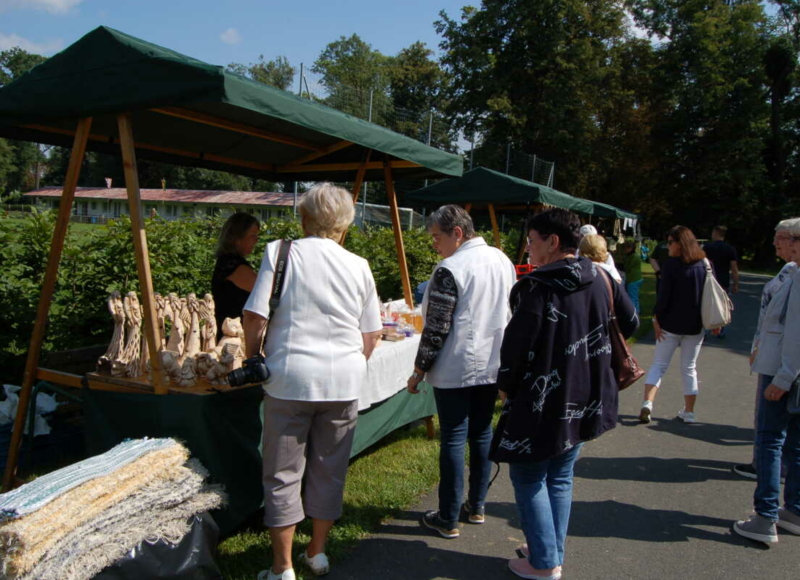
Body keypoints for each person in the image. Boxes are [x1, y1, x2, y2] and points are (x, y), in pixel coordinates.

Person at [243, 183, 383, 580]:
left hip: (289, 380)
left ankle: (282, 566)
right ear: (344, 224)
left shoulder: (280, 251)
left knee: (283, 473)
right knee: (329, 468)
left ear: (304, 218)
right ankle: (317, 553)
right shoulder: (359, 265)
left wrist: (255, 356)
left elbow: (255, 316)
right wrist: (349, 363)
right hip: (343, 382)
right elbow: (370, 335)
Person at [492, 209, 637, 580]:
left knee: (529, 476)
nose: (527, 247)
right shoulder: (601, 275)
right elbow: (631, 321)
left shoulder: (538, 286)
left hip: (544, 399)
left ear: (552, 242)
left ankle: (543, 561)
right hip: (588, 392)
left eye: (532, 239)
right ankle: (548, 549)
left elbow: (516, 349)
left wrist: (505, 387)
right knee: (559, 474)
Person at [406, 204, 516, 540]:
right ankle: (477, 505)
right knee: (481, 432)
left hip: (458, 366)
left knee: (454, 437)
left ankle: (448, 516)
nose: (434, 244)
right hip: (493, 363)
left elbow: (436, 328)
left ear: (457, 233)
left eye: (437, 237)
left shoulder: (449, 268)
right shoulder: (502, 259)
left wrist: (418, 369)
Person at [733, 221, 800, 544]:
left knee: (771, 440)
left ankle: (765, 517)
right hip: (787, 368)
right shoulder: (793, 273)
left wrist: (785, 376)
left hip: (785, 370)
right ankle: (793, 510)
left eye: (782, 239)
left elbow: (795, 333)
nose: (778, 245)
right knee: (794, 443)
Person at [639, 226, 710, 425]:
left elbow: (663, 298)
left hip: (670, 323)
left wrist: (656, 319)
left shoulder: (671, 266)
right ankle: (689, 412)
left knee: (659, 365)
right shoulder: (703, 264)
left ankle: (648, 403)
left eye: (670, 242)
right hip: (695, 325)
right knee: (689, 368)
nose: (667, 246)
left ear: (680, 243)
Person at [211, 212, 259, 339]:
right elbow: (264, 288)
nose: (256, 240)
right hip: (232, 334)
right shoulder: (232, 265)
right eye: (252, 235)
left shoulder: (228, 263)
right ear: (237, 238)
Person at [703, 225, 739, 337]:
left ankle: (705, 327)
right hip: (723, 281)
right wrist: (736, 284)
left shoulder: (707, 247)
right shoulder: (730, 249)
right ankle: (720, 327)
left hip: (708, 279)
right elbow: (734, 268)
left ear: (715, 233)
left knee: (706, 303)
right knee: (722, 305)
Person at [620, 240, 643, 314]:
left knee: (632, 297)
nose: (624, 250)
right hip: (632, 279)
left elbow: (627, 268)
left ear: (630, 248)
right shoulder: (630, 256)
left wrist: (620, 266)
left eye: (626, 248)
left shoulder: (634, 256)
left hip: (634, 279)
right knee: (632, 296)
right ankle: (635, 311)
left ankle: (634, 312)